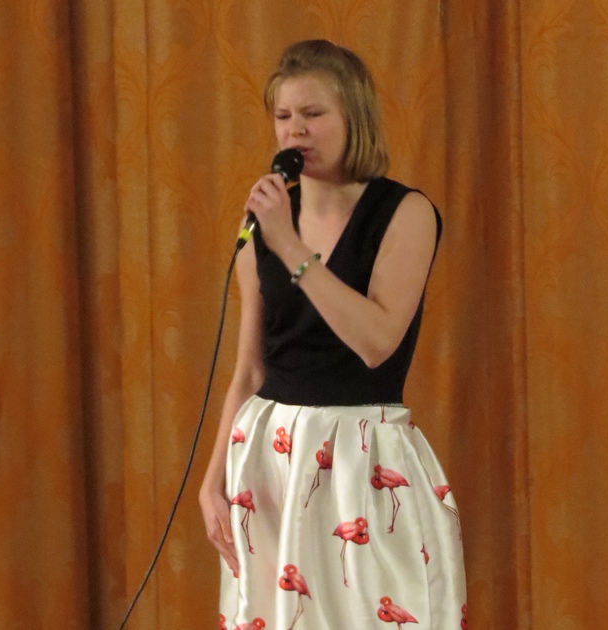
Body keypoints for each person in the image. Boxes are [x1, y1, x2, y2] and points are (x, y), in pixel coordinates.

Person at [199, 39, 466, 629]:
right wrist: (212, 481)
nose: (295, 130)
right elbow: (250, 369)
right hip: (270, 458)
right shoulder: (262, 223)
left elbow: (377, 342)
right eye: (283, 116)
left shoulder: (405, 213)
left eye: (313, 114)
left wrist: (292, 249)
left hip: (360, 455)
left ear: (354, 117)